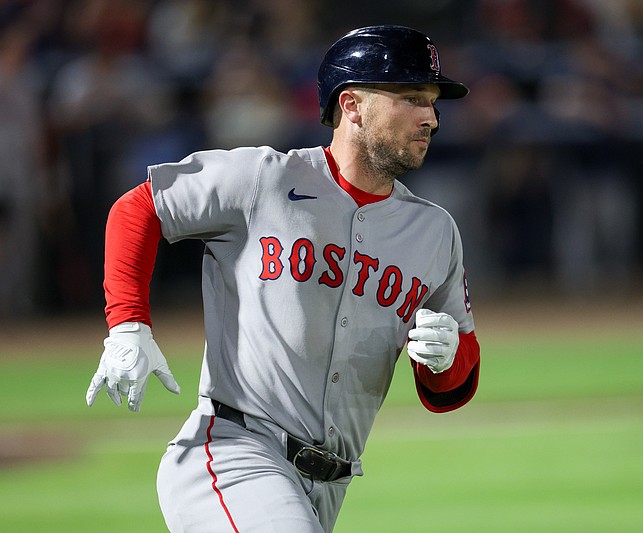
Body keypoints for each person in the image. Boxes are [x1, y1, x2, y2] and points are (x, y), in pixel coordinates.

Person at [85, 25, 480, 533]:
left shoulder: (434, 231)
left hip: (328, 487)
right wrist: (127, 325)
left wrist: (444, 360)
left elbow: (450, 390)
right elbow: (139, 208)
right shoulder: (264, 178)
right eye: (410, 97)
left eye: (431, 101)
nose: (430, 116)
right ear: (352, 105)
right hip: (232, 455)